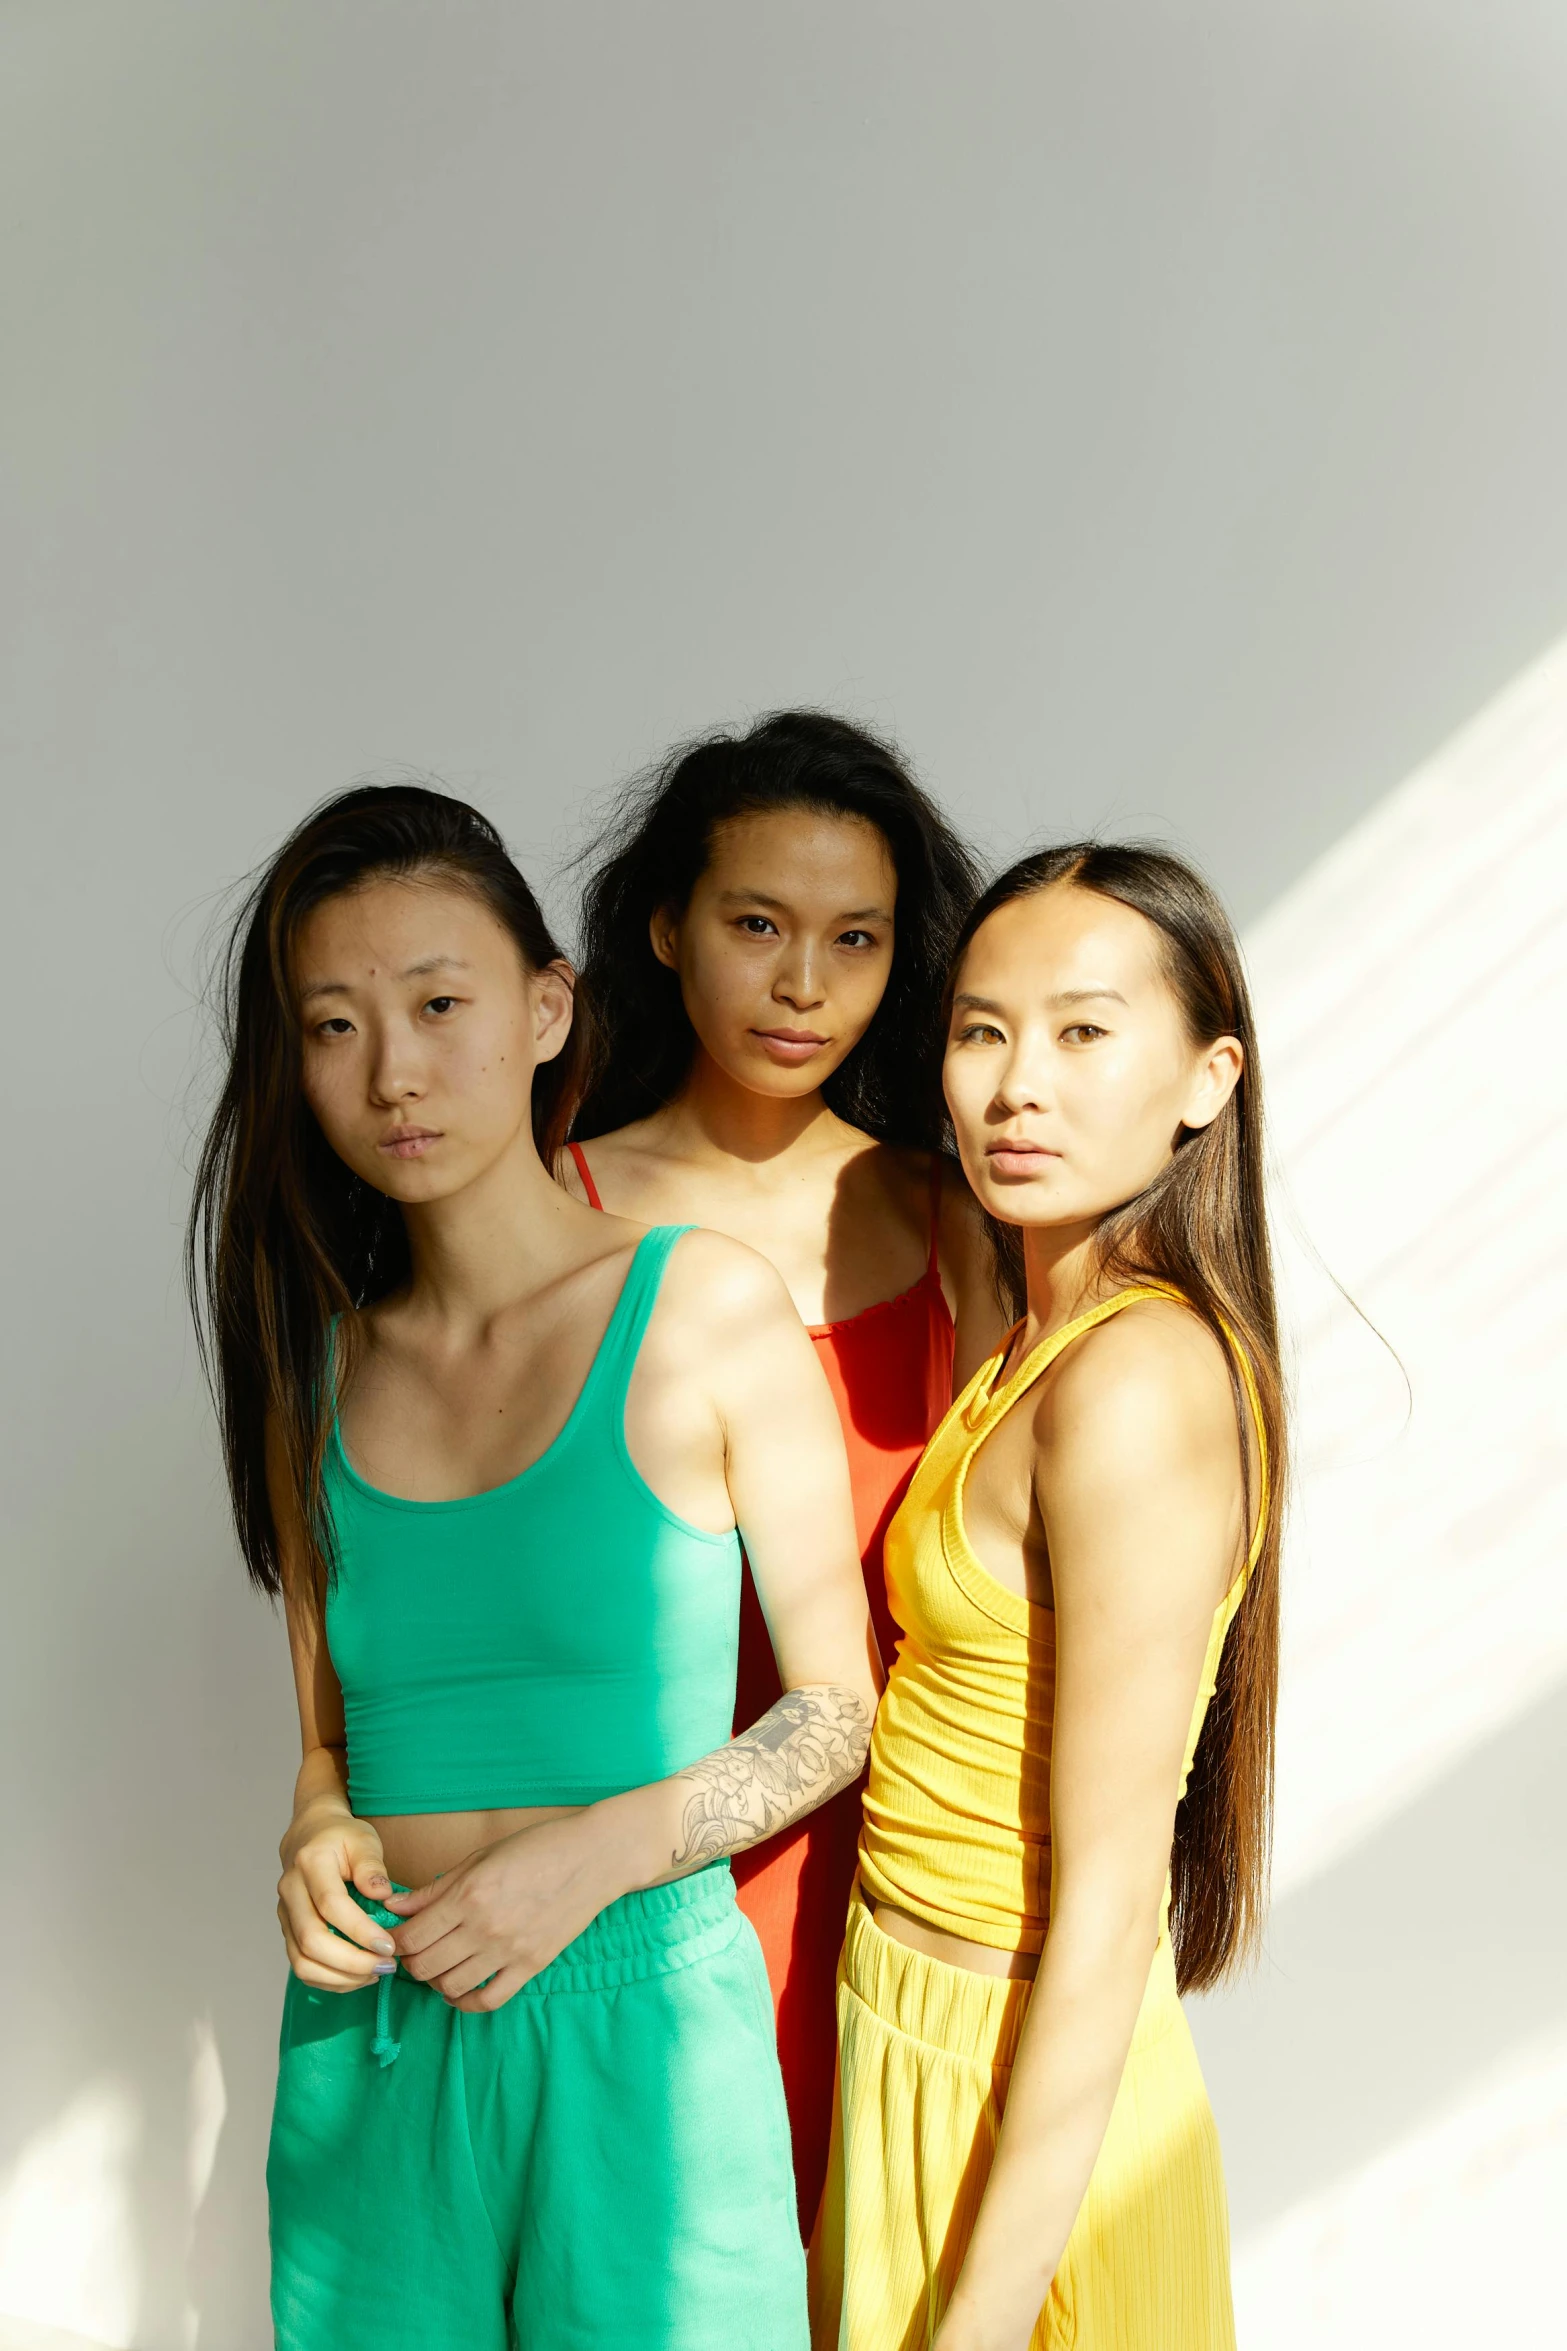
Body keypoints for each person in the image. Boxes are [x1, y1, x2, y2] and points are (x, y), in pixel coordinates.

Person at [185, 783, 880, 2351]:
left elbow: (835, 1713)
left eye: (440, 1003)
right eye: (336, 1025)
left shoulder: (703, 1307)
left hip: (638, 2025)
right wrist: (311, 1833)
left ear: (548, 1006)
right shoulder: (314, 1377)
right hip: (372, 2036)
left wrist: (595, 1855)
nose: (396, 1071)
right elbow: (329, 1741)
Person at [812, 843, 1287, 2351]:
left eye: (1084, 1031)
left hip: (1019, 2083)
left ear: (1206, 1078)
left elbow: (1103, 1907)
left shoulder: (1136, 1378)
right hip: (906, 2035)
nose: (1018, 1084)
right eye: (980, 1029)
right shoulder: (1032, 1338)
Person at [561, 711, 1007, 2229]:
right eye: (757, 923)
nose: (804, 983)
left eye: (856, 938)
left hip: (896, 1875)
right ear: (666, 928)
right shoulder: (548, 1207)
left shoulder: (952, 1213)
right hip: (621, 1870)